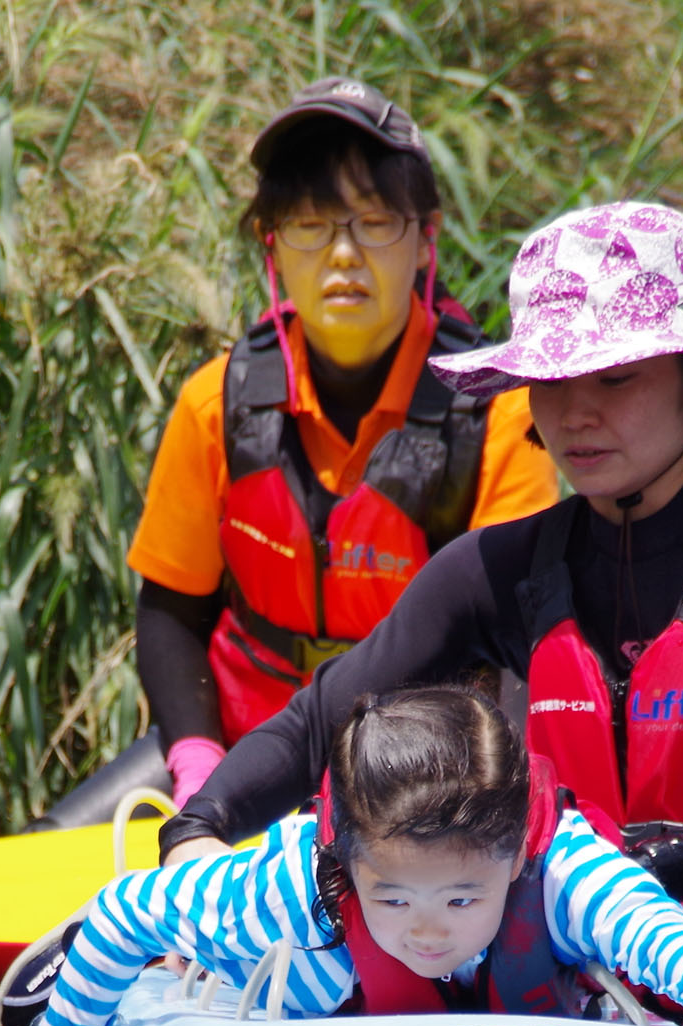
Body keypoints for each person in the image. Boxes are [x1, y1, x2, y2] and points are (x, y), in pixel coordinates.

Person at [157, 201, 683, 1026]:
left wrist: (628, 871)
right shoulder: (501, 568)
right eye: (552, 382)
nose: (576, 414)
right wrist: (202, 826)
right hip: (600, 1006)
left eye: (615, 377)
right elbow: (325, 718)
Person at [119, 77, 555, 813]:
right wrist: (198, 763)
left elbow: (512, 646)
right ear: (273, 247)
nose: (343, 253)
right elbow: (170, 612)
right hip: (234, 744)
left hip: (417, 766)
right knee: (55, 847)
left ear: (426, 240)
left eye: (375, 221)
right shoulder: (213, 401)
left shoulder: (500, 413)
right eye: (310, 225)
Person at [24, 684, 683, 1026]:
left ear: (513, 855)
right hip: (266, 968)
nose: (426, 930)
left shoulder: (561, 870)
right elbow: (125, 914)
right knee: (161, 934)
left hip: (513, 968)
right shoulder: (295, 889)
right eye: (393, 900)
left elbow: (655, 930)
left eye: (462, 899)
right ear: (352, 865)